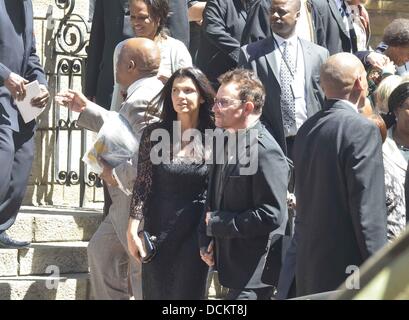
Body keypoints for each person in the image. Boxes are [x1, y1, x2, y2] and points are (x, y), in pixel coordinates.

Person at [56, 38, 164, 300]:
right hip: (122, 205)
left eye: (117, 62)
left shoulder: (143, 99)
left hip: (134, 203)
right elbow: (123, 126)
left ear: (130, 65)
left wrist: (112, 175)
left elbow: (147, 159)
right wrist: (87, 108)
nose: (114, 68)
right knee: (101, 252)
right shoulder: (145, 92)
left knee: (139, 270)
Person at [294, 53, 387, 296]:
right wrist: (381, 270)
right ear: (359, 82)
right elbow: (367, 209)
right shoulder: (362, 129)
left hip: (309, 264)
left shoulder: (307, 128)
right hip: (349, 266)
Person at [199, 69, 289, 300]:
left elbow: (272, 214)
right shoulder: (225, 138)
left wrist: (219, 224)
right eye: (215, 101)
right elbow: (214, 197)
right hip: (229, 268)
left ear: (247, 107)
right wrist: (208, 237)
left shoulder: (265, 151)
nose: (214, 108)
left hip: (255, 276)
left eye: (223, 102)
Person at [127, 67, 215, 300]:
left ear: (202, 96)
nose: (180, 96)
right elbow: (143, 184)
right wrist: (132, 229)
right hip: (158, 228)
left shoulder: (216, 137)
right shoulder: (154, 133)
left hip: (195, 231)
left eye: (188, 90)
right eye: (175, 90)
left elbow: (218, 190)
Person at [239, 0, 329, 157]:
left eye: (281, 12)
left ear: (297, 15)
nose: (275, 15)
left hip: (310, 140)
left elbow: (323, 97)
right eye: (272, 11)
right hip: (269, 142)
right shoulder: (251, 54)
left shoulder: (319, 54)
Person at [0, 0, 50, 248]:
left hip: (20, 98)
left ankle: (1, 227)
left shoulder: (26, 4)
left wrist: (41, 84)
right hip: (1, 92)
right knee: (4, 151)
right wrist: (5, 75)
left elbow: (31, 53)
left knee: (24, 156)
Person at [84, 0, 134, 218]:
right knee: (109, 153)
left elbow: (178, 27)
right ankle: (110, 214)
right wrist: (90, 86)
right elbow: (98, 35)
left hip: (148, 84)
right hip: (110, 82)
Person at [110, 0, 192, 110]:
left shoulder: (176, 49)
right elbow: (118, 92)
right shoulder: (123, 49)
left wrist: (169, 83)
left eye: (142, 17)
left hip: (165, 121)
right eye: (133, 17)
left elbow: (189, 89)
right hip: (130, 119)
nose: (136, 23)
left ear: (158, 18)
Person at [196, 0, 255, 87]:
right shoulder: (219, 2)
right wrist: (241, 54)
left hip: (246, 76)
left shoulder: (258, 4)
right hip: (217, 77)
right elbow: (212, 29)